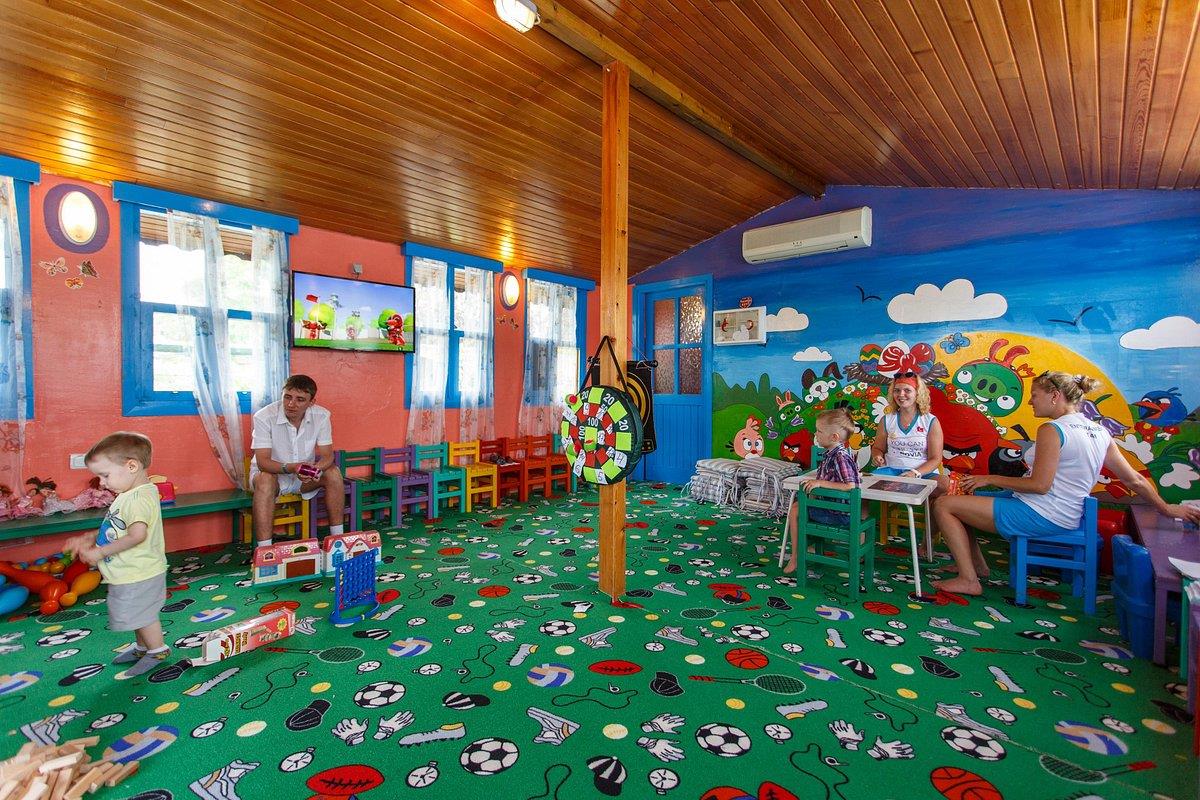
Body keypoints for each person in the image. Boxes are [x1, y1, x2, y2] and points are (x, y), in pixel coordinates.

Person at [932, 371, 1200, 597]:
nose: (1030, 401)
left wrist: (989, 478)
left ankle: (969, 580)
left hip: (1043, 513)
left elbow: (1040, 485)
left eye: (1034, 395)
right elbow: (1134, 479)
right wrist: (1166, 508)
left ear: (1054, 395)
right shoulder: (1099, 431)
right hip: (1066, 513)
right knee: (963, 497)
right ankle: (977, 567)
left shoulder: (1053, 430)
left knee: (944, 505)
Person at [63, 432, 169, 678]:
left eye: (105, 475)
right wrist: (91, 537)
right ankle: (143, 647)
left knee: (142, 614)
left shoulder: (137, 499)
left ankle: (157, 650)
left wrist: (100, 552)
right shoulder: (130, 494)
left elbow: (137, 535)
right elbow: (117, 527)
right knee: (136, 613)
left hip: (139, 572)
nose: (102, 483)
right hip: (130, 571)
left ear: (131, 466)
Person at [250, 374, 345, 547]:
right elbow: (263, 462)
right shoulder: (263, 417)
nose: (291, 404)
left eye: (300, 399)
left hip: (303, 477)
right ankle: (265, 550)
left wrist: (313, 470)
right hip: (272, 476)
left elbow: (327, 456)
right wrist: (294, 467)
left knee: (333, 472)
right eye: (287, 397)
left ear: (311, 402)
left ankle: (337, 542)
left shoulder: (322, 416)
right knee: (265, 479)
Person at [783, 408, 862, 575]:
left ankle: (796, 556)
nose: (816, 434)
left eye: (819, 431)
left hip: (838, 514)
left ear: (834, 437)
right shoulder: (831, 455)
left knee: (795, 510)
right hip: (832, 509)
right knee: (798, 505)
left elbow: (850, 486)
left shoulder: (840, 457)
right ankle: (805, 547)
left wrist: (820, 483)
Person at [870, 372, 949, 489]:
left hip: (923, 473)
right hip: (891, 471)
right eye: (897, 390)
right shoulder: (886, 420)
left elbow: (935, 458)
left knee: (943, 483)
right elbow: (878, 448)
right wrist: (877, 456)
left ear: (918, 393)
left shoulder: (930, 421)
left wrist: (915, 473)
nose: (901, 394)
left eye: (907, 390)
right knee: (868, 482)